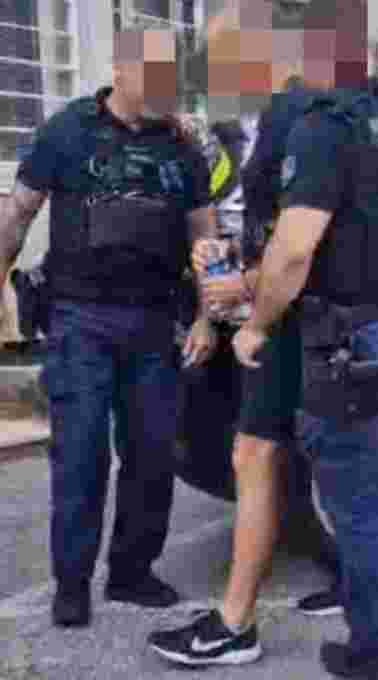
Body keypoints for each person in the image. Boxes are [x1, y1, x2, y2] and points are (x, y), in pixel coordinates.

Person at [232, 0, 378, 675]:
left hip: (348, 344)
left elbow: (292, 252)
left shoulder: (323, 127)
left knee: (362, 511)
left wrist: (257, 325)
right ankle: (374, 644)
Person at [0, 28, 217, 628]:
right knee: (81, 455)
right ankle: (72, 584)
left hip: (155, 322)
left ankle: (131, 572)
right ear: (121, 71)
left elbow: (206, 235)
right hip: (80, 319)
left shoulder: (183, 146)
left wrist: (207, 315)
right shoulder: (67, 131)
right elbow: (18, 214)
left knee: (153, 454)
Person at [146, 1, 341, 666]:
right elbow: (266, 227)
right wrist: (224, 262)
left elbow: (299, 242)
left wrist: (246, 300)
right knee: (318, 455)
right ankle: (357, 589)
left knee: (256, 455)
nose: (213, 67)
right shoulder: (279, 117)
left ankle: (235, 624)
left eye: (222, 52)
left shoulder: (297, 114)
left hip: (288, 315)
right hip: (298, 311)